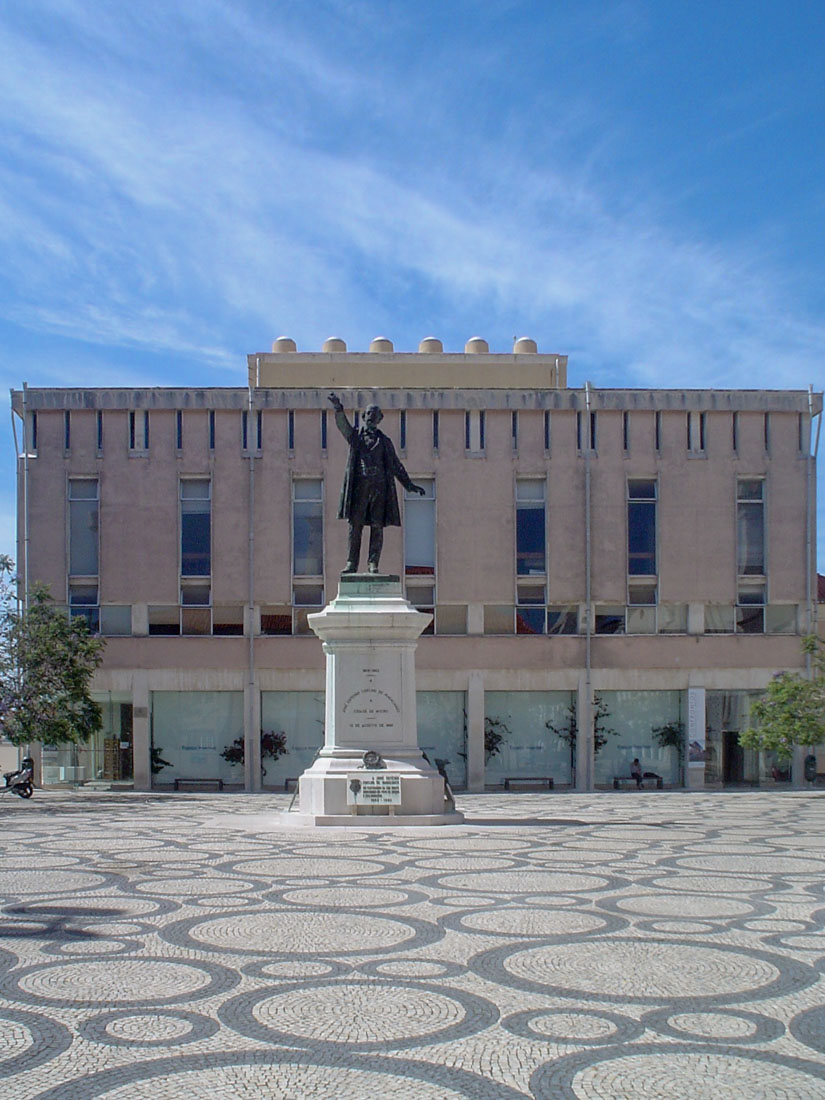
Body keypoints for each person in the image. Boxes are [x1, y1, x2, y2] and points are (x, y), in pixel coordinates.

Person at [328, 394, 426, 573]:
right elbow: (344, 428)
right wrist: (338, 409)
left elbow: (396, 465)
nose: (371, 417)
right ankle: (351, 563)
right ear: (364, 417)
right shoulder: (356, 437)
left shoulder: (385, 442)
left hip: (379, 488)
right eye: (368, 414)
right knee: (355, 526)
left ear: (379, 419)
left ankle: (373, 563)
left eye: (375, 414)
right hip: (360, 488)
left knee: (377, 527)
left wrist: (409, 485)